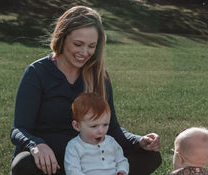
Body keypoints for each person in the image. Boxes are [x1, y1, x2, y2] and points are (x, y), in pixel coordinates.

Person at [10, 6, 161, 175]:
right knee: (23, 164)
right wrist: (36, 145)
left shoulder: (99, 76)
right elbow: (19, 129)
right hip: (52, 163)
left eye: (91, 46)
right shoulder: (37, 72)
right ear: (62, 38)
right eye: (78, 44)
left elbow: (112, 129)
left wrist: (139, 141)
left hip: (91, 161)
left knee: (150, 156)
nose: (84, 52)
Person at [65, 93, 129, 175]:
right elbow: (72, 170)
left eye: (105, 125)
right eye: (94, 126)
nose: (101, 131)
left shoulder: (111, 142)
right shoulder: (74, 147)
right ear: (77, 126)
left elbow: (121, 160)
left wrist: (122, 170)